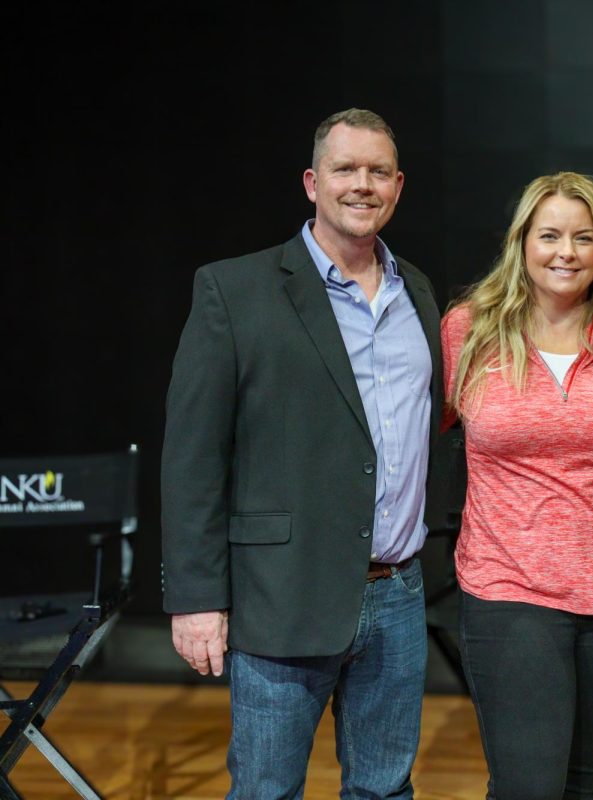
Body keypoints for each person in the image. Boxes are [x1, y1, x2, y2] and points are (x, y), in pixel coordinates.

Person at [161, 108, 441, 799]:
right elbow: (192, 457)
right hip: (281, 597)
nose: (362, 184)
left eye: (378, 171)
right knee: (266, 791)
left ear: (398, 186)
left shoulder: (420, 295)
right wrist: (197, 599)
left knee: (384, 790)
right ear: (312, 182)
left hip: (398, 593)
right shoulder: (235, 290)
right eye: (346, 169)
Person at [441, 172, 593, 800]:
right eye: (550, 235)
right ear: (522, 244)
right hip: (510, 589)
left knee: (591, 783)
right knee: (527, 786)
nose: (566, 251)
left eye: (583, 238)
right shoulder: (470, 329)